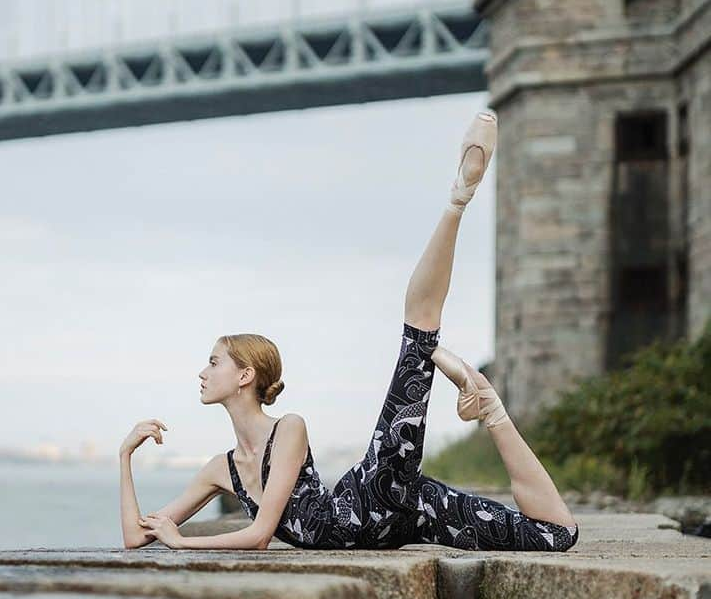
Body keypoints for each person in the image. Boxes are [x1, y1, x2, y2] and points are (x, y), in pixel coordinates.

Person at [118, 110, 579, 552]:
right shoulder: (220, 470)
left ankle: (458, 197)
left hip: (376, 488)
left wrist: (185, 541)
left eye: (213, 361)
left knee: (417, 330)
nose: (202, 371)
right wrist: (125, 457)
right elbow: (136, 538)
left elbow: (260, 534)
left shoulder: (289, 430)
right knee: (557, 534)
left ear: (244, 376)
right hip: (412, 515)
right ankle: (490, 405)